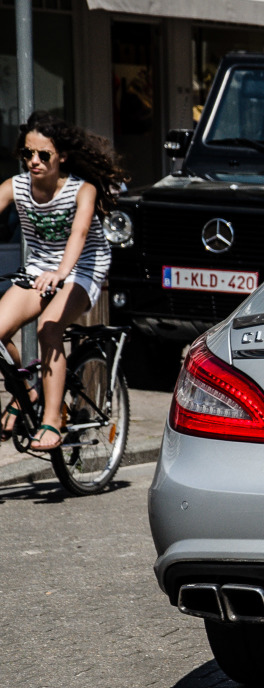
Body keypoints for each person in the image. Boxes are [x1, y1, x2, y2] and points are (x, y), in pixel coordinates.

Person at [0, 112, 124, 451]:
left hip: (83, 268)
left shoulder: (80, 190)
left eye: (43, 155)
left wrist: (61, 273)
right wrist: (48, 273)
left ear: (62, 157)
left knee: (48, 328)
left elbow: (78, 235)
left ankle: (51, 421)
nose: (33, 162)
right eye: (27, 154)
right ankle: (27, 390)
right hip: (39, 268)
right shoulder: (16, 186)